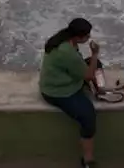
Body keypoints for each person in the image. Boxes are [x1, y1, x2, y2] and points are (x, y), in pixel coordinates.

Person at [39, 17, 100, 168]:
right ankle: (88, 160)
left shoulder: (64, 39)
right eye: (87, 35)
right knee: (88, 117)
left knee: (96, 65)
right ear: (78, 36)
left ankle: (99, 89)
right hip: (58, 91)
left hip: (65, 80)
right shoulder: (66, 52)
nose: (89, 37)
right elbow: (88, 75)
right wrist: (94, 54)